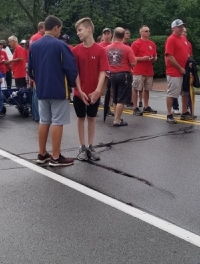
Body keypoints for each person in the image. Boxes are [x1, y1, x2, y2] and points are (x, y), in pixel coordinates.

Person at [28, 15, 78, 167]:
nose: (59, 33)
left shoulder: (34, 45)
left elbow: (30, 70)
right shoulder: (61, 45)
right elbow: (70, 68)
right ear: (56, 27)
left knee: (44, 121)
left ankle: (42, 154)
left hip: (42, 89)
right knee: (58, 121)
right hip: (58, 88)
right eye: (59, 30)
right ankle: (56, 157)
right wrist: (72, 84)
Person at [72, 17, 108, 161]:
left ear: (89, 29)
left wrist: (98, 90)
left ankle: (91, 145)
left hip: (94, 92)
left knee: (91, 118)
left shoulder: (100, 50)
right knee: (81, 118)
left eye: (80, 30)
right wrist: (80, 90)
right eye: (77, 31)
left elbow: (103, 71)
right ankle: (82, 146)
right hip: (79, 93)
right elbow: (75, 73)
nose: (78, 33)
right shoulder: (76, 51)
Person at [106, 27, 136, 126]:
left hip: (112, 74)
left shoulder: (107, 48)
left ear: (114, 35)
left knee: (115, 97)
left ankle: (116, 117)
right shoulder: (127, 48)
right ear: (123, 36)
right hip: (124, 74)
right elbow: (133, 62)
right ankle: (117, 120)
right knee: (121, 99)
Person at [164, 19, 191, 124]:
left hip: (184, 70)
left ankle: (184, 112)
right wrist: (180, 68)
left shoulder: (184, 38)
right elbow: (169, 56)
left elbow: (186, 53)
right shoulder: (171, 39)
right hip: (174, 71)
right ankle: (169, 114)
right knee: (172, 93)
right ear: (173, 28)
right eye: (179, 27)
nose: (181, 28)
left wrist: (189, 62)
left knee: (185, 92)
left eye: (182, 26)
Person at [131, 25, 158, 116]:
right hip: (138, 70)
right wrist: (143, 58)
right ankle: (135, 107)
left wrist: (154, 59)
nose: (148, 33)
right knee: (136, 88)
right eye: (146, 31)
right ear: (141, 32)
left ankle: (146, 106)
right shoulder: (136, 43)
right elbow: (132, 58)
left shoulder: (152, 44)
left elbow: (155, 56)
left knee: (147, 89)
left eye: (149, 31)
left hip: (149, 70)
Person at [172, 27, 192, 115]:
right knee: (175, 90)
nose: (184, 33)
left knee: (185, 90)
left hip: (186, 69)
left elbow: (190, 55)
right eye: (183, 31)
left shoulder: (188, 44)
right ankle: (175, 107)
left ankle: (186, 108)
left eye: (186, 32)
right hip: (177, 69)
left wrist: (191, 62)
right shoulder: (174, 40)